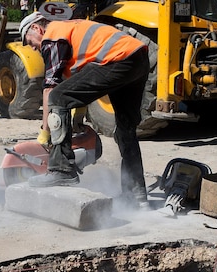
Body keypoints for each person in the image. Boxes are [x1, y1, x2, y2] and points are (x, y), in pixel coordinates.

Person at [20, 12, 150, 208]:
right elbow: (82, 81)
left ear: (38, 29)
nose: (32, 47)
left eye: (29, 41)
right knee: (126, 129)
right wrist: (78, 116)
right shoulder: (73, 30)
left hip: (117, 59)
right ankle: (136, 195)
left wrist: (45, 133)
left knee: (57, 97)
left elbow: (51, 90)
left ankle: (62, 171)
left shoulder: (53, 35)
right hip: (137, 59)